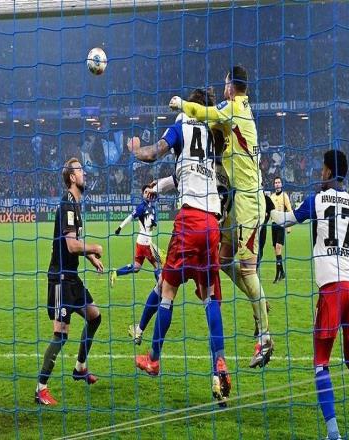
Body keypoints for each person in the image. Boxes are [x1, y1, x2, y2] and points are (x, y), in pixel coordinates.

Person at [271, 150, 349, 440]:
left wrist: (264, 206)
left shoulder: (317, 200)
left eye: (322, 169)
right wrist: (344, 254)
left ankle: (333, 434)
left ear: (329, 171)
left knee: (321, 363)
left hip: (332, 288)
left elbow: (284, 220)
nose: (320, 173)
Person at [128, 87, 231, 405]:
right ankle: (219, 363)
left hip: (189, 220)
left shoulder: (181, 124)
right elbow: (185, 174)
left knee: (166, 290)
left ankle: (153, 359)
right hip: (212, 224)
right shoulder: (213, 133)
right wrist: (158, 187)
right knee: (210, 296)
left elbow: (154, 153)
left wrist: (136, 150)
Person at [169, 65, 273, 368]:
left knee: (248, 270)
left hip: (249, 202)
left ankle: (265, 337)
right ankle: (258, 300)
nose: (224, 87)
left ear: (231, 86)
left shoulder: (235, 107)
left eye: (226, 83)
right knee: (223, 261)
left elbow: (209, 113)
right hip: (236, 201)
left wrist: (182, 105)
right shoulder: (235, 112)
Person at [35, 158, 104, 406]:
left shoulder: (74, 204)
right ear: (72, 178)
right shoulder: (67, 203)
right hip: (60, 280)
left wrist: (91, 258)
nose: (84, 173)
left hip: (72, 278)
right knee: (61, 335)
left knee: (94, 317)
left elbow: (73, 246)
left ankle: (80, 367)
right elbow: (72, 245)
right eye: (80, 170)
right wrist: (94, 248)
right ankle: (41, 388)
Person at [110, 185, 164, 290]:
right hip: (145, 243)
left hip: (143, 241)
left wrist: (154, 224)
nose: (148, 194)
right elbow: (130, 217)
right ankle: (160, 290)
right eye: (145, 192)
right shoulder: (141, 207)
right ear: (142, 195)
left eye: (149, 191)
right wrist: (120, 228)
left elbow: (152, 226)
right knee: (158, 266)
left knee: (136, 267)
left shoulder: (152, 207)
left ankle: (116, 272)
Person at [270, 176, 292, 283]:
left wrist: (289, 226)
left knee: (278, 247)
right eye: (275, 182)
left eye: (278, 182)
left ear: (281, 184)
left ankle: (278, 274)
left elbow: (289, 210)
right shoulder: (272, 196)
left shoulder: (285, 196)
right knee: (276, 251)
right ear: (274, 185)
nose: (277, 184)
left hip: (281, 224)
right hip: (273, 225)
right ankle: (281, 272)